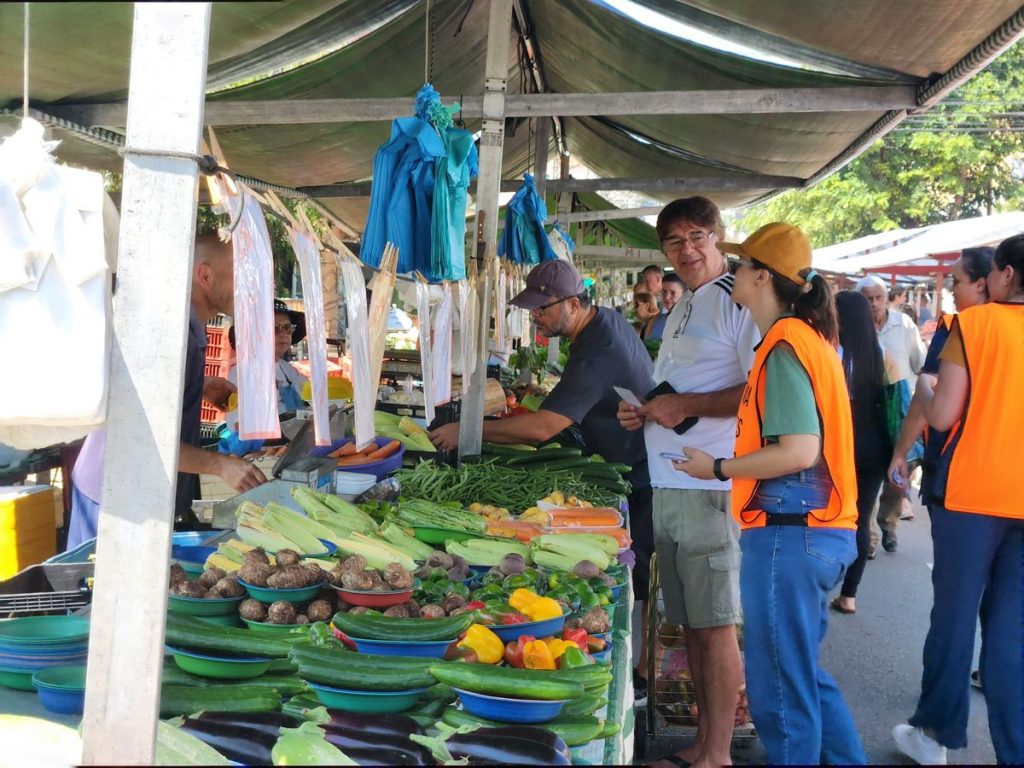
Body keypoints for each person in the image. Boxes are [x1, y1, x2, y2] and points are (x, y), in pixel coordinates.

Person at [676, 222, 866, 765]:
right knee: (800, 673)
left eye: (740, 266)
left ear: (762, 277)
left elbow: (799, 450)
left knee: (778, 689)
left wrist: (717, 466)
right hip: (816, 534)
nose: (731, 272)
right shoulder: (803, 340)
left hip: (791, 536)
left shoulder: (784, 345)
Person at [428, 259, 658, 684]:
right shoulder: (600, 322)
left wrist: (468, 432)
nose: (535, 315)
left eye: (543, 308)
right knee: (640, 574)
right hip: (630, 459)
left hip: (640, 470)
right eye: (532, 308)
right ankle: (641, 669)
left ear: (573, 303)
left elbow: (541, 428)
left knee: (639, 577)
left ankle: (639, 676)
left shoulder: (597, 349)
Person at [617, 196, 759, 768]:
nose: (688, 249)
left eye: (699, 235)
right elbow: (678, 392)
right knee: (693, 626)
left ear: (720, 237)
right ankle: (703, 743)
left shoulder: (736, 302)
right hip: (673, 483)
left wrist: (683, 405)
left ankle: (718, 754)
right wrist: (648, 410)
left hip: (712, 486)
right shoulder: (682, 305)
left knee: (716, 624)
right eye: (675, 241)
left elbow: (757, 390)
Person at [892, 237, 1022, 766]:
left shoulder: (975, 325)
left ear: (1008, 276)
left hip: (971, 495)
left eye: (992, 273)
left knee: (954, 616)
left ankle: (935, 736)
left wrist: (922, 392)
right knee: (1013, 631)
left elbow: (942, 415)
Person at [66, 233, 268, 550]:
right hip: (113, 498)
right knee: (98, 596)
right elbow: (145, 440)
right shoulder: (171, 335)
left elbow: (149, 399)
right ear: (205, 275)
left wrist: (198, 388)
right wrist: (222, 465)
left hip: (140, 495)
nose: (249, 288)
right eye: (241, 276)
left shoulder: (188, 330)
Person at [829, 292, 892, 614]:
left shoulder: (832, 352)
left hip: (840, 445)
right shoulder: (880, 353)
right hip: (876, 446)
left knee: (829, 514)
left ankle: (824, 584)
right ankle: (849, 595)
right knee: (860, 518)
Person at [857, 274, 927, 553]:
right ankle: (869, 538)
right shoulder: (855, 328)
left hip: (900, 415)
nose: (874, 304)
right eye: (868, 299)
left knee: (897, 477)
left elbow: (919, 364)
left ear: (885, 298)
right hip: (870, 414)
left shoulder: (904, 325)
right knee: (870, 474)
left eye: (878, 298)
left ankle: (888, 524)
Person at [643, 273, 685, 341]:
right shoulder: (654, 321)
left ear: (684, 294)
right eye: (664, 291)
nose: (667, 297)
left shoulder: (689, 322)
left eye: (672, 293)